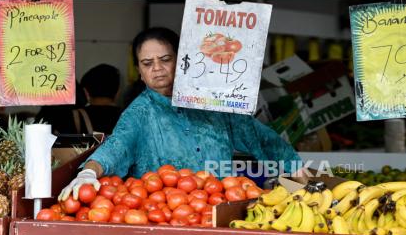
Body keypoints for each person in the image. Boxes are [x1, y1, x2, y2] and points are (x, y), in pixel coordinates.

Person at [59, 27, 307, 201]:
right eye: (147, 64)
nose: (157, 69)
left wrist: (292, 164)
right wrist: (89, 172)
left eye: (165, 59)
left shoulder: (212, 103)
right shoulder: (139, 113)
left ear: (181, 60)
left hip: (220, 214)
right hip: (166, 219)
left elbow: (258, 136)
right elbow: (116, 146)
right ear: (139, 71)